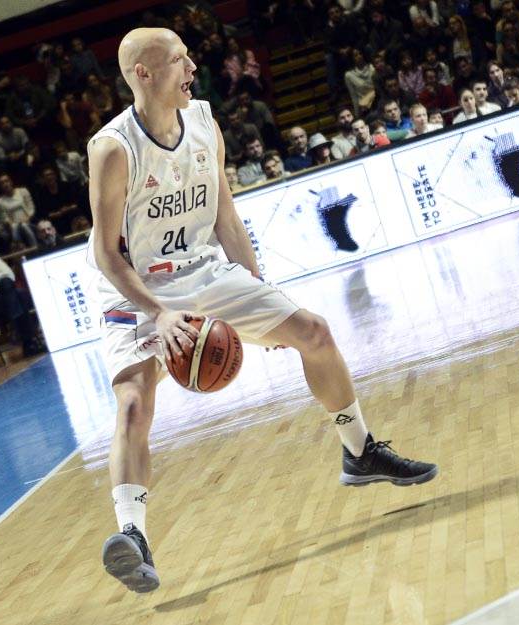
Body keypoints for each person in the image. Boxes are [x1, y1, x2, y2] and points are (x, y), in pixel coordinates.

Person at [87, 27, 438, 594]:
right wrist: (159, 313)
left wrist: (256, 296)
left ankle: (360, 452)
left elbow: (224, 212)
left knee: (313, 332)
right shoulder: (113, 148)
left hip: (204, 271)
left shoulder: (203, 120)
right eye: (179, 60)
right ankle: (133, 535)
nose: (192, 66)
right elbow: (107, 253)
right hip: (137, 287)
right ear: (143, 74)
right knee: (132, 403)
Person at [0, 174, 38, 249]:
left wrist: (27, 219)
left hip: (29, 221)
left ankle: (33, 248)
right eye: (2, 183)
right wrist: (11, 223)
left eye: (6, 181)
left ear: (11, 182)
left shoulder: (23, 191)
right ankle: (26, 249)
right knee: (15, 227)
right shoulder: (1, 200)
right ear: (0, 186)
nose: (5, 184)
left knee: (24, 226)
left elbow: (31, 208)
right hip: (14, 225)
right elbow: (5, 216)